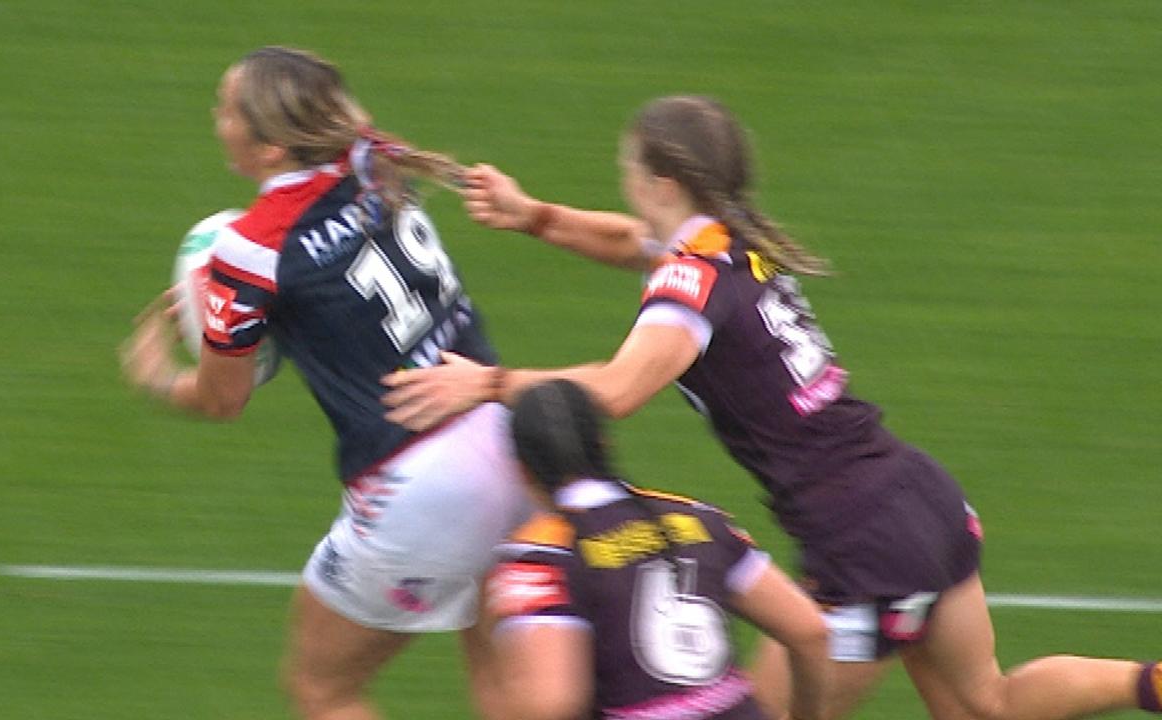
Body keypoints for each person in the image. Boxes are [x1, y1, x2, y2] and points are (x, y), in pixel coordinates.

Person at [380, 95, 1162, 720]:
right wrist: (537, 216)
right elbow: (631, 242)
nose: (623, 182)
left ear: (662, 183)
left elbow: (617, 391)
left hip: (857, 541)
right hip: (920, 495)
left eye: (627, 168)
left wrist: (483, 383)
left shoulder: (689, 282)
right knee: (984, 703)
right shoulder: (731, 240)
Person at [119, 46, 532, 720]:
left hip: (417, 485)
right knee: (502, 690)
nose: (217, 118)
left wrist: (163, 377)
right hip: (508, 437)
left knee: (323, 689)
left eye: (227, 109)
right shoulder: (374, 156)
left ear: (274, 146)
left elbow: (224, 398)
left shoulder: (250, 250)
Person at [487, 378, 832, 720]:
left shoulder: (541, 556)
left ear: (522, 471)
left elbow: (551, 705)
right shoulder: (698, 518)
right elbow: (810, 631)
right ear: (603, 444)